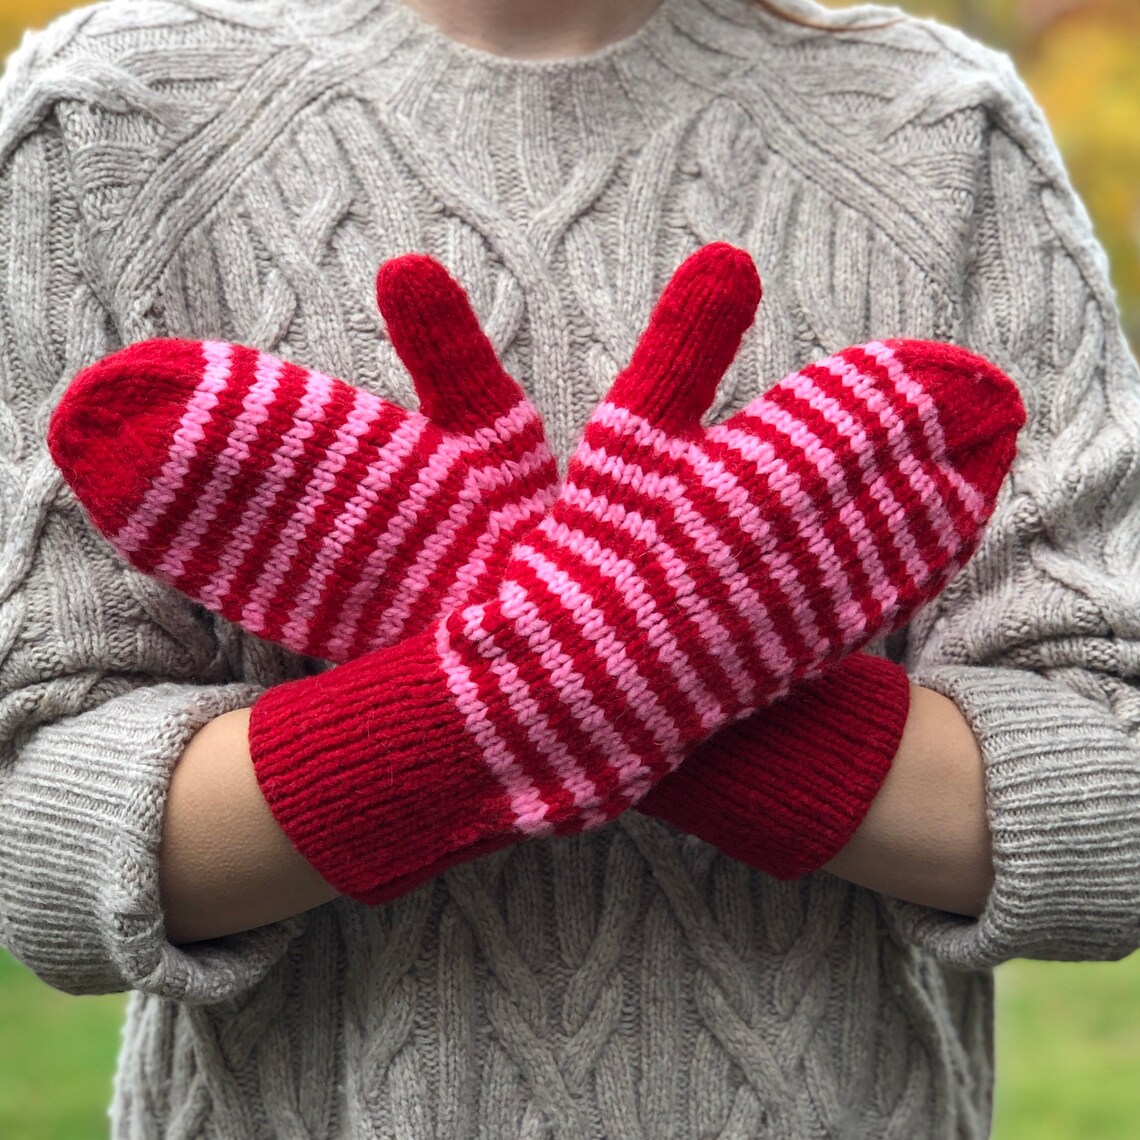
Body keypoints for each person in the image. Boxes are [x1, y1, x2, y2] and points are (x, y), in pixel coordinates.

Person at [0, 0, 1135, 1136]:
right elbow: (36, 835)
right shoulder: (108, 117)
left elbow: (1111, 812)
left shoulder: (938, 128)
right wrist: (575, 675)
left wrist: (589, 652)